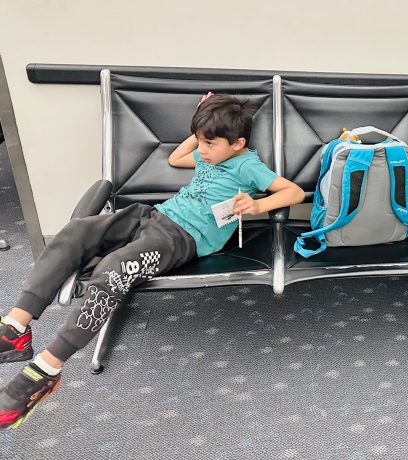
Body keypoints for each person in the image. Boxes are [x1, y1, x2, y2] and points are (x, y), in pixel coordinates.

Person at [0, 93, 304, 429]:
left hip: (180, 238)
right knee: (76, 231)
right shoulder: (209, 155)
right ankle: (15, 326)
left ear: (238, 144)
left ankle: (47, 368)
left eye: (210, 143)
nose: (203, 150)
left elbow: (293, 192)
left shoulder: (247, 165)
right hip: (152, 215)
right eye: (200, 141)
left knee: (113, 271)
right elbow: (176, 158)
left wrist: (257, 205)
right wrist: (202, 124)